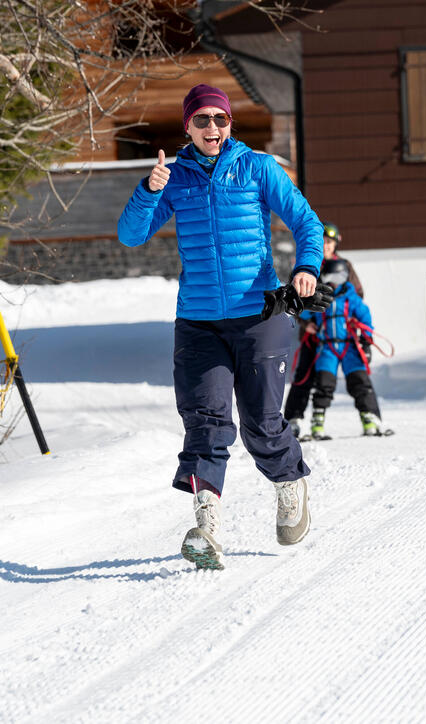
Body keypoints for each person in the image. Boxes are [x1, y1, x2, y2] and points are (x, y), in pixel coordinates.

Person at [116, 84, 331, 570]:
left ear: (229, 125)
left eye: (221, 119)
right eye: (202, 120)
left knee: (260, 424)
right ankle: (206, 528)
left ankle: (289, 483)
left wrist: (307, 268)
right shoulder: (174, 177)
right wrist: (149, 190)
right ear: (187, 127)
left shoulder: (256, 167)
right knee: (205, 424)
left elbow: (305, 221)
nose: (212, 128)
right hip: (199, 323)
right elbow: (131, 236)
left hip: (259, 317)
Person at [283, 222, 364, 439]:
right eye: (322, 241)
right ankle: (293, 419)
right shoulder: (307, 264)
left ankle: (369, 416)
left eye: (329, 242)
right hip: (312, 333)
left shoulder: (345, 265)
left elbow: (357, 294)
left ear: (336, 243)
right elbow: (293, 300)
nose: (326, 246)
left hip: (338, 333)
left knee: (352, 373)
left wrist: (350, 319)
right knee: (304, 375)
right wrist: (304, 323)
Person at [304, 257, 391, 440]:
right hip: (327, 347)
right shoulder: (320, 296)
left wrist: (366, 343)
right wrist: (307, 313)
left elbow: (365, 318)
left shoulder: (351, 297)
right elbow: (304, 312)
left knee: (360, 381)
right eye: (331, 278)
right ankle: (317, 423)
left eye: (340, 277)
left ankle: (369, 419)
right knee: (324, 383)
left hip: (349, 346)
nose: (335, 282)